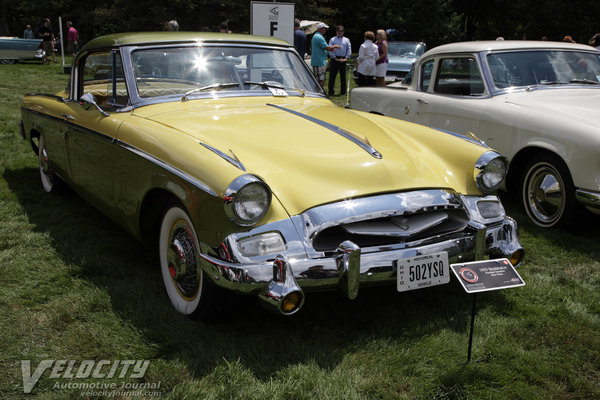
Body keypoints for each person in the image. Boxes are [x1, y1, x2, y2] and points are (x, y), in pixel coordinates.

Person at [310, 22, 340, 87]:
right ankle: (319, 94)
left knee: (318, 80)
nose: (325, 30)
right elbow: (327, 47)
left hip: (317, 61)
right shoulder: (319, 37)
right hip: (319, 62)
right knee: (321, 80)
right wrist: (335, 46)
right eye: (325, 29)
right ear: (321, 29)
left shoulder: (316, 36)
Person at [327, 25, 352, 96]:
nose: (339, 32)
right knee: (332, 76)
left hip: (343, 59)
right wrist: (334, 57)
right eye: (338, 31)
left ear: (343, 32)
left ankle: (343, 92)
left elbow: (349, 49)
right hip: (334, 59)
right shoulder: (333, 39)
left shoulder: (346, 40)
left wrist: (346, 58)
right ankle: (331, 92)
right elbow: (330, 49)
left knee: (343, 76)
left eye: (341, 31)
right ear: (336, 31)